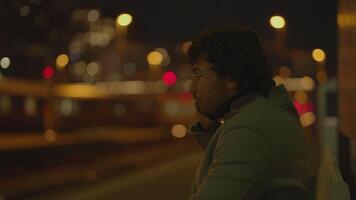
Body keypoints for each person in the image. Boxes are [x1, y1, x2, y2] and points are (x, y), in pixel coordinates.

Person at [187, 26, 309, 200]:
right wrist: (211, 132)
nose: (191, 87)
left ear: (230, 77)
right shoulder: (263, 115)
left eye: (198, 74)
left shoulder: (251, 130)